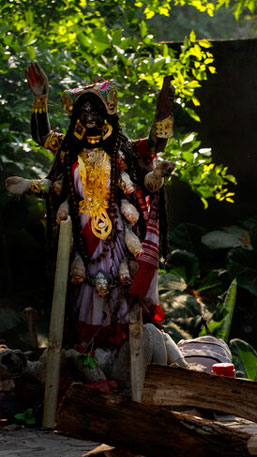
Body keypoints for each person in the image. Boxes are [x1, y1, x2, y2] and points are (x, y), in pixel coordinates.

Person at [5, 62, 178, 371]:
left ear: (107, 113)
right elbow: (43, 136)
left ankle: (125, 356)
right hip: (79, 239)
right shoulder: (68, 147)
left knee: (121, 290)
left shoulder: (124, 148)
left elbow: (154, 145)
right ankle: (87, 355)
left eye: (94, 110)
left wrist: (164, 110)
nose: (88, 116)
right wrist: (40, 98)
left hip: (120, 239)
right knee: (83, 291)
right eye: (83, 111)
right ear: (76, 116)